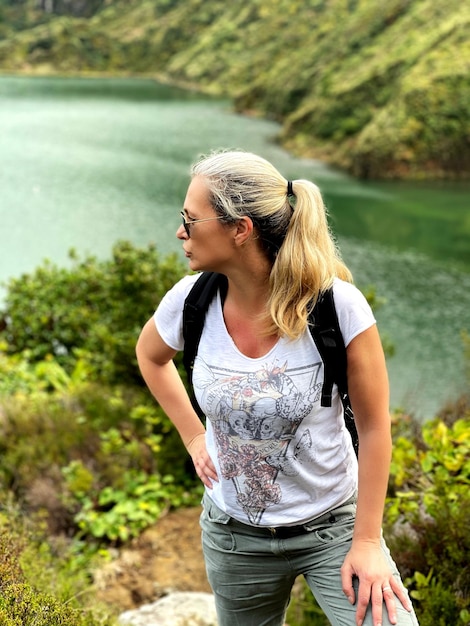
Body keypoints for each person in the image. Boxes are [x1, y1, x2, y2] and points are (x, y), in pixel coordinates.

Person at [136, 150, 419, 626]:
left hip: (334, 526)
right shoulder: (191, 300)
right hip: (235, 537)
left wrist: (367, 542)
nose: (180, 233)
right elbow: (151, 356)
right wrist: (192, 435)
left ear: (240, 229)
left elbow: (374, 429)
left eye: (190, 219)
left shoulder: (337, 307)